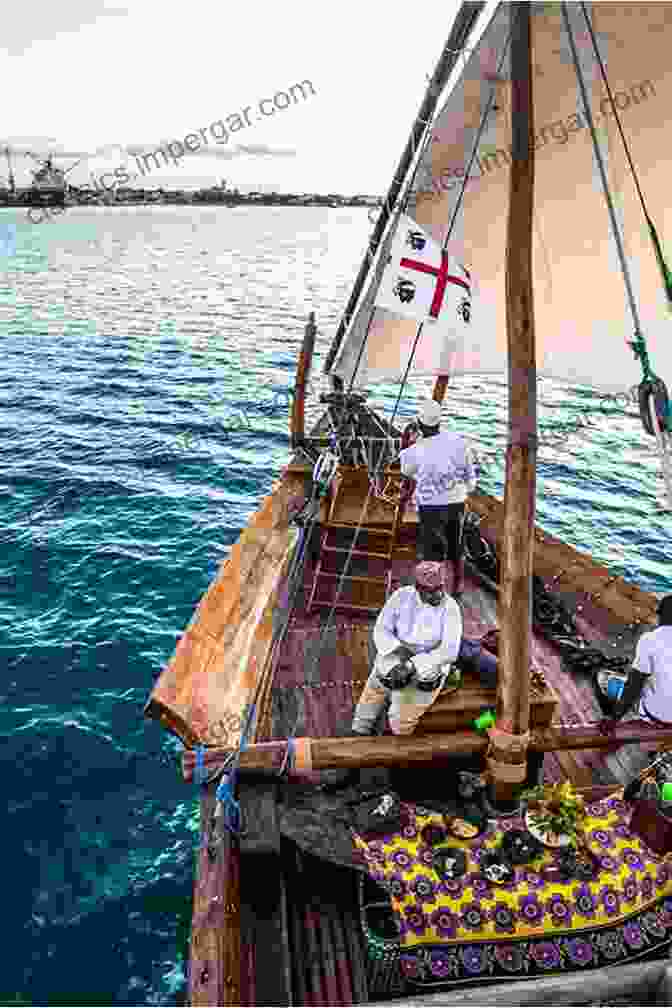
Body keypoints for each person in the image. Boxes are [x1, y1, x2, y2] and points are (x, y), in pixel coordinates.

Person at [351, 562, 498, 736]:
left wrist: (413, 665)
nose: (438, 594)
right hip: (397, 654)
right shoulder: (400, 597)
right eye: (431, 590)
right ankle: (360, 727)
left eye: (441, 588)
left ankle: (395, 737)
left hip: (430, 665)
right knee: (374, 689)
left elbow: (448, 652)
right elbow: (382, 629)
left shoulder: (451, 609)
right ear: (418, 588)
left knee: (400, 718)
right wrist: (398, 651)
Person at [399, 399, 477, 599]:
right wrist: (464, 490)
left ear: (420, 424)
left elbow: (405, 470)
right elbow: (470, 476)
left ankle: (434, 589)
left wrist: (406, 443)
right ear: (439, 421)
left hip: (431, 507)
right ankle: (457, 584)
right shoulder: (458, 442)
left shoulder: (417, 448)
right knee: (456, 545)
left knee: (433, 549)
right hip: (457, 503)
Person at [601, 595, 672, 776]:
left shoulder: (649, 640)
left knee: (617, 684)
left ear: (659, 616)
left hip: (657, 717)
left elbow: (633, 687)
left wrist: (614, 718)